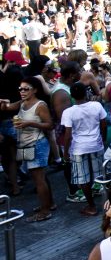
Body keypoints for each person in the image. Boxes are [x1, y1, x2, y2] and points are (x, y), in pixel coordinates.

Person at [0, 77, 54, 222]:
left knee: (38, 179)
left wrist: (29, 122)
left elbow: (49, 125)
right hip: (25, 144)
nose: (22, 91)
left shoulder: (40, 105)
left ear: (35, 90)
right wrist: (3, 103)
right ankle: (49, 204)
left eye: (26, 89)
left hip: (37, 144)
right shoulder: (23, 103)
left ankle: (45, 211)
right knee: (40, 177)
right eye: (20, 89)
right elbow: (7, 107)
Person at [62, 82, 107, 217]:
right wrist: (102, 139)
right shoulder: (96, 105)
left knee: (83, 178)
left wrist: (65, 153)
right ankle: (108, 203)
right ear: (86, 93)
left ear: (72, 96)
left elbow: (68, 135)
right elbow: (103, 124)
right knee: (101, 175)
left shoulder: (68, 112)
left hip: (78, 148)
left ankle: (92, 206)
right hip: (96, 144)